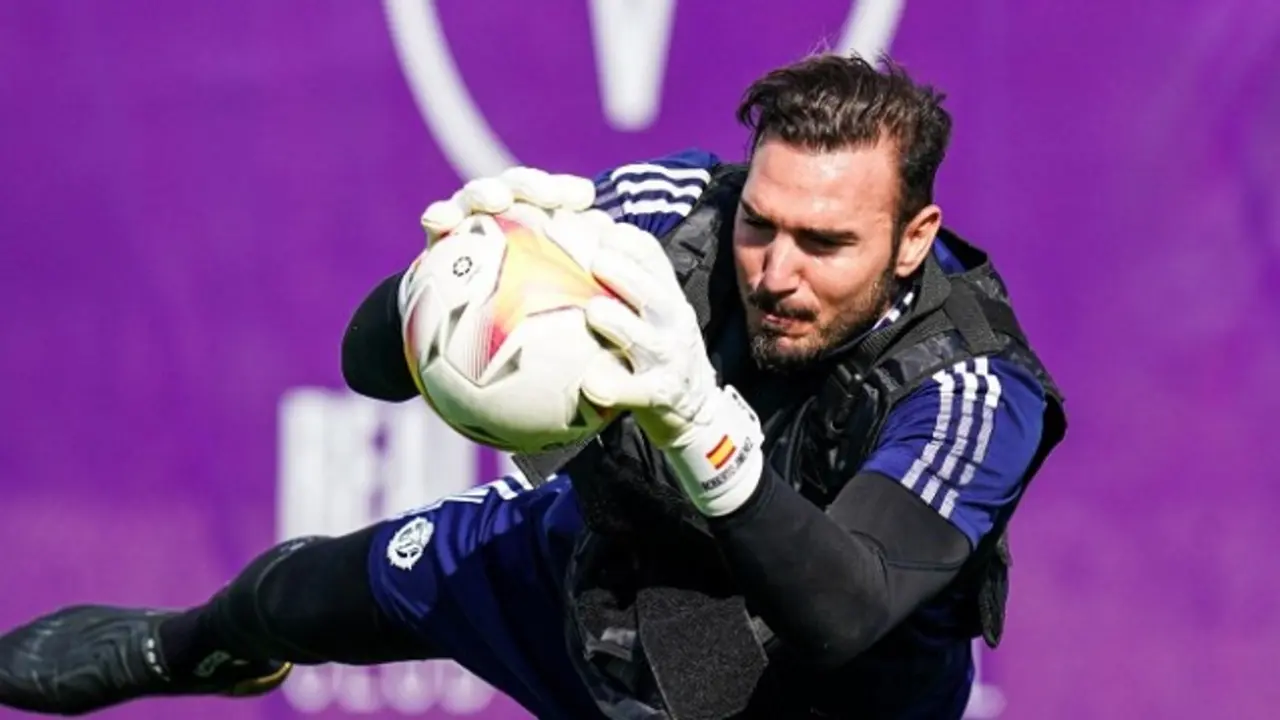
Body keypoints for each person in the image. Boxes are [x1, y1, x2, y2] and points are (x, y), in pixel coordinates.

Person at [0, 53, 1067, 719]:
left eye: (823, 243)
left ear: (912, 237)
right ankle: (191, 649)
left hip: (812, 689)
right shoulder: (678, 210)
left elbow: (848, 610)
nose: (774, 271)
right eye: (760, 223)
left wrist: (701, 427)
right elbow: (366, 366)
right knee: (313, 587)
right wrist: (453, 272)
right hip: (603, 571)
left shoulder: (972, 384)